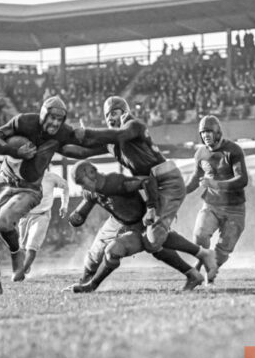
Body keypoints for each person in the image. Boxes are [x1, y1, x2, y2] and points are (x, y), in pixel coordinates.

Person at [62, 96, 218, 283]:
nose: (110, 117)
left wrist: (86, 132)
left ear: (125, 112)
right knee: (151, 240)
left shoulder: (134, 126)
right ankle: (193, 272)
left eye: (114, 112)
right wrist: (52, 142)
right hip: (150, 183)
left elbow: (118, 135)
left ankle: (203, 254)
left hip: (166, 179)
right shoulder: (110, 144)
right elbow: (79, 151)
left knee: (153, 239)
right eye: (107, 115)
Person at [0, 96, 103, 296]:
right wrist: (14, 151)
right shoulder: (23, 122)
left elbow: (79, 150)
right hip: (3, 181)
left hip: (30, 188)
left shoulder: (62, 133)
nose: (54, 123)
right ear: (43, 113)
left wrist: (107, 145)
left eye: (59, 119)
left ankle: (17, 253)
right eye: (51, 117)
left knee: (2, 223)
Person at [65, 160, 216, 293]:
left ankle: (196, 264)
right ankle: (86, 282)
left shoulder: (116, 182)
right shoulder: (91, 192)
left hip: (139, 224)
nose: (84, 187)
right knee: (98, 255)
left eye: (83, 182)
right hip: (118, 223)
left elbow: (147, 181)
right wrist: (76, 218)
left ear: (92, 173)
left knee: (148, 244)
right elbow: (81, 213)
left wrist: (151, 208)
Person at [186, 115, 248, 281]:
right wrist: (179, 192)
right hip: (211, 205)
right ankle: (201, 267)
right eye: (203, 132)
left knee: (222, 251)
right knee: (199, 235)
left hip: (235, 208)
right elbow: (194, 179)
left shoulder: (233, 150)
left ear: (218, 133)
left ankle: (208, 273)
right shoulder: (200, 153)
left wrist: (215, 184)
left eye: (209, 131)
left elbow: (242, 179)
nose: (206, 135)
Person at [16, 169, 69, 279]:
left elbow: (65, 186)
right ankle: (25, 266)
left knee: (32, 245)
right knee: (22, 247)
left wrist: (64, 205)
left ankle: (22, 272)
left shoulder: (51, 177)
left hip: (42, 215)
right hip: (25, 215)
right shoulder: (24, 175)